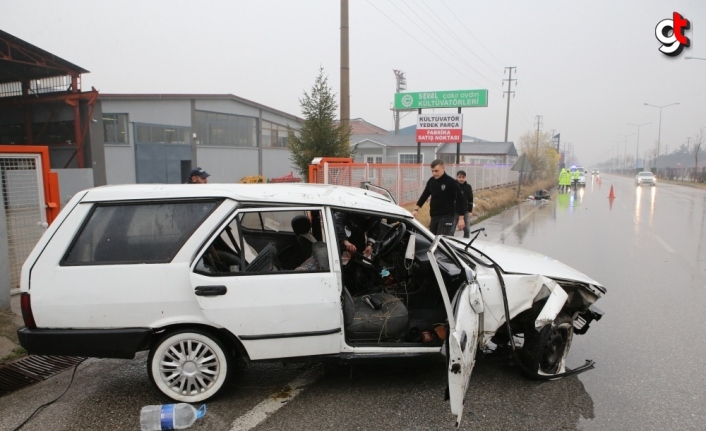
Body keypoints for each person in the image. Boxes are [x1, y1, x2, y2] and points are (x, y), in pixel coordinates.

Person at [413, 159, 466, 235]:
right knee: (432, 239)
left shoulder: (451, 182)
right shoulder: (431, 181)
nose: (434, 173)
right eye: (432, 171)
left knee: (441, 240)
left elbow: (462, 199)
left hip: (447, 216)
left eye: (436, 171)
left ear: (443, 168)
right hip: (434, 215)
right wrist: (416, 209)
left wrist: (461, 218)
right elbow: (425, 195)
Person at [456, 170, 474, 238]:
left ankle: (465, 245)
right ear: (457, 177)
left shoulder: (468, 187)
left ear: (465, 178)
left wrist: (470, 211)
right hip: (454, 211)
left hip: (465, 211)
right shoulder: (453, 186)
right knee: (450, 230)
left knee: (467, 230)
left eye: (463, 177)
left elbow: (470, 199)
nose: (461, 179)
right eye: (459, 177)